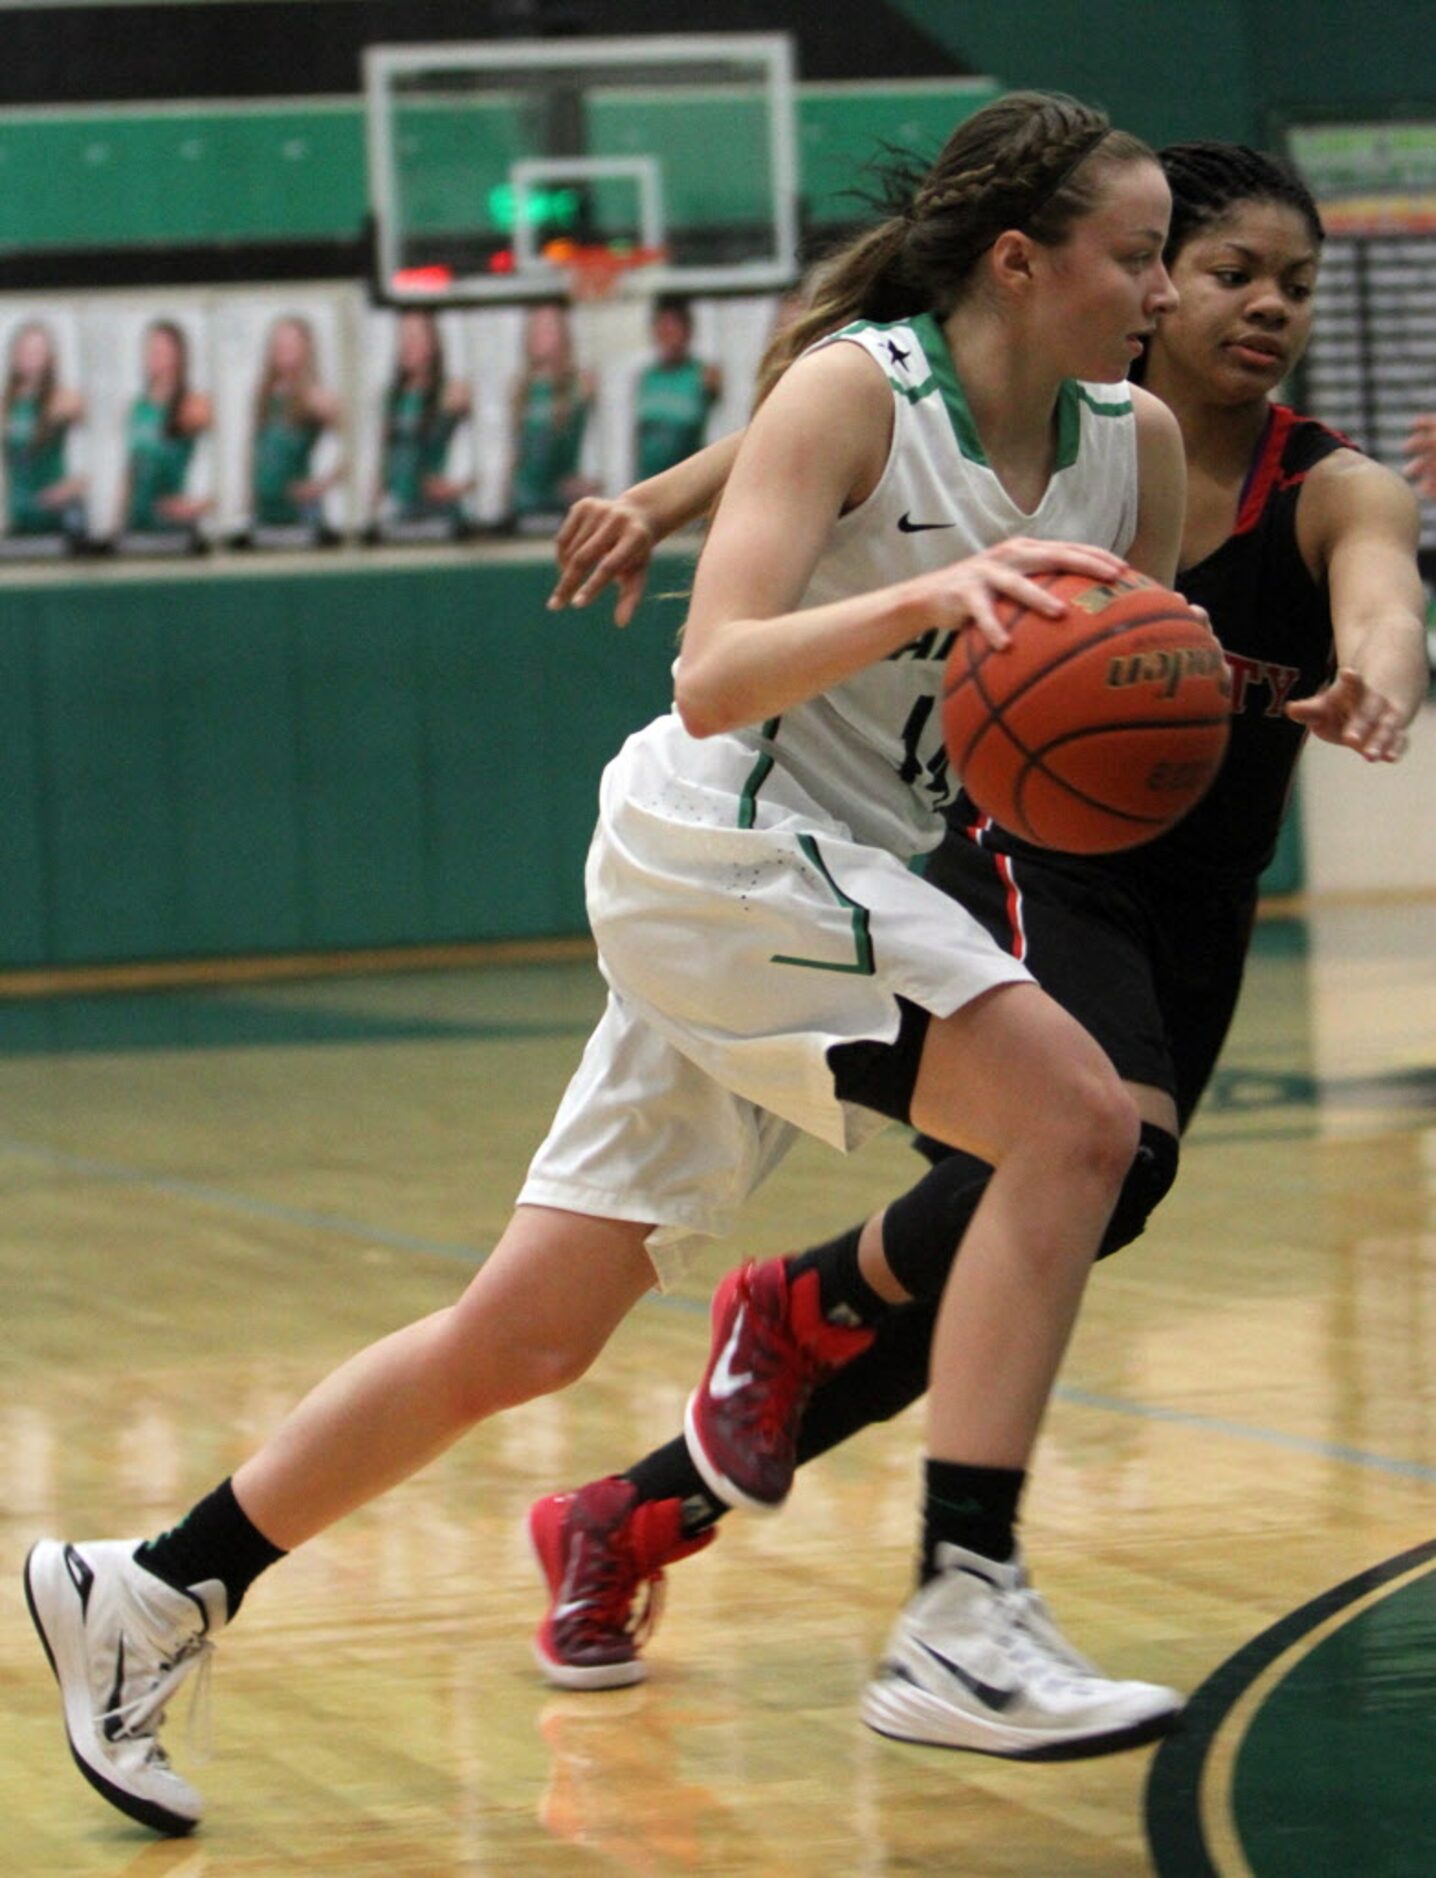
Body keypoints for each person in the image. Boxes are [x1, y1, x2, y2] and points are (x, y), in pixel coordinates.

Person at [25, 92, 1191, 1838]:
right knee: (1079, 1129)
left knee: (531, 1328)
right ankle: (963, 1605)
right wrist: (928, 598)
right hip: (722, 832)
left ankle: (157, 1582)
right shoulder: (857, 390)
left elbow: (1109, 704)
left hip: (844, 869)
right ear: (1021, 263)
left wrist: (1244, 697)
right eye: (1140, 252)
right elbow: (715, 672)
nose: (1163, 288)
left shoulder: (1134, 446)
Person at [530, 141, 1429, 1696]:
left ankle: (637, 1506)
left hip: (1195, 892)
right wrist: (671, 497)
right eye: (1226, 271)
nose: (1262, 305)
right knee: (1089, 1147)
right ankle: (925, 1519)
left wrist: (1384, 681)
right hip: (1030, 850)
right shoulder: (1053, 428)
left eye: (1298, 282)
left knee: (1079, 1207)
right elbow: (808, 441)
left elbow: (1385, 596)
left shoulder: (1321, 479)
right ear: (1135, 283)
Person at [373, 308, 472, 532]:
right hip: (397, 513)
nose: (407, 345)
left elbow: (498, 436)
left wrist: (461, 485)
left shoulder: (452, 393)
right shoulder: (391, 398)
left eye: (415, 337)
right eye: (403, 337)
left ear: (433, 343)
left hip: (437, 514)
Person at [115, 320, 211, 540]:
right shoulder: (135, 408)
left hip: (173, 530)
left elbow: (237, 457)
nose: (155, 356)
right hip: (136, 527)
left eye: (163, 351)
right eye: (151, 350)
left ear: (178, 355)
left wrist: (204, 503)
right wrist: (116, 524)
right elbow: (130, 471)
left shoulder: (193, 405)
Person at [248, 314, 342, 535]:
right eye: (279, 343)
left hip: (299, 513)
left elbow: (360, 441)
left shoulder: (314, 396)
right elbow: (256, 452)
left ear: (306, 347)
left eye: (291, 343)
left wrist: (321, 485)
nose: (284, 349)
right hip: (264, 512)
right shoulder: (265, 395)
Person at [508, 299, 597, 528]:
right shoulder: (518, 390)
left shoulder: (581, 385)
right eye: (538, 327)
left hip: (564, 507)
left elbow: (599, 438)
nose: (543, 335)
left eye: (550, 328)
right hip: (522, 505)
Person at [2, 321, 86, 541]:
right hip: (19, 519)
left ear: (49, 358)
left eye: (37, 351)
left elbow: (106, 453)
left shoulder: (65, 400)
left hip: (58, 518)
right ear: (14, 356)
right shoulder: (5, 406)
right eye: (25, 351)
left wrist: (72, 487)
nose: (30, 358)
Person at [632, 294, 722, 483]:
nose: (668, 333)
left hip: (688, 484)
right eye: (662, 326)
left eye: (674, 326)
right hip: (650, 485)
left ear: (688, 330)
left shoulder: (703, 374)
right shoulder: (646, 377)